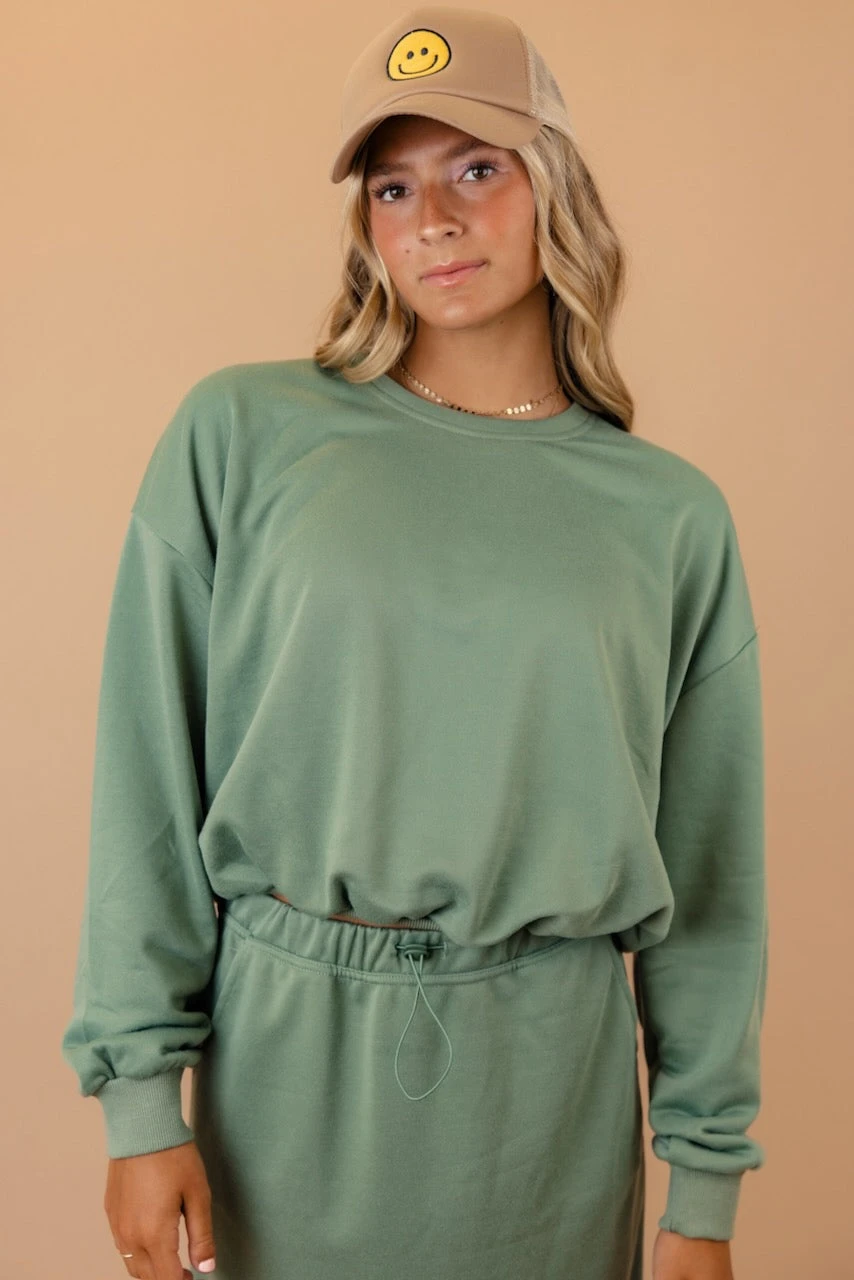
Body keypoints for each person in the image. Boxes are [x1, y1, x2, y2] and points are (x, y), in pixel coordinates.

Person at [60, 7, 768, 1280]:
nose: (432, 218)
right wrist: (139, 1099)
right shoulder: (244, 434)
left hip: (546, 1096)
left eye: (475, 169)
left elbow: (710, 881)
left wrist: (701, 1192)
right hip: (283, 1072)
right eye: (393, 187)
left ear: (554, 185)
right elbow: (146, 779)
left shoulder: (668, 516)